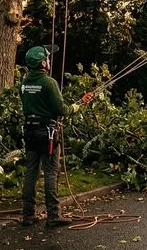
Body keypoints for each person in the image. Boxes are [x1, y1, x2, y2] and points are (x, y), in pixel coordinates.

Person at [20, 44, 92, 227]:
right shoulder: (49, 83)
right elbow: (62, 110)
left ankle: (28, 215)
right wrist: (79, 104)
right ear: (42, 63)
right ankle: (53, 215)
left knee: (31, 172)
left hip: (29, 132)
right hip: (48, 134)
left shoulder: (25, 83)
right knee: (51, 173)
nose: (49, 60)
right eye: (47, 58)